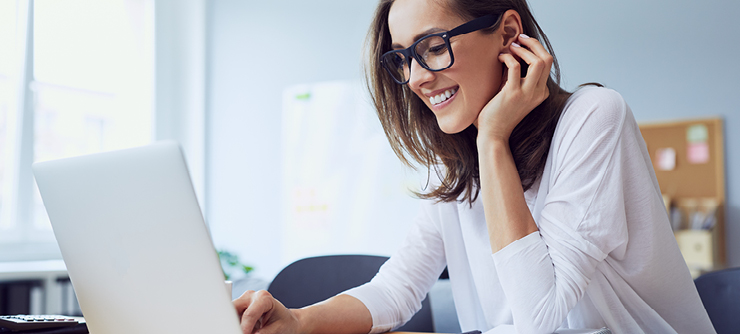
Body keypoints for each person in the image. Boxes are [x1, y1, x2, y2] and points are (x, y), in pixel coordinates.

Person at [233, 0, 716, 333]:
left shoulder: (594, 117)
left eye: (434, 46)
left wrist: (493, 138)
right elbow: (397, 289)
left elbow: (540, 315)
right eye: (403, 58)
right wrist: (297, 322)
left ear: (508, 33)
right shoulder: (458, 168)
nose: (418, 78)